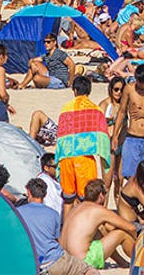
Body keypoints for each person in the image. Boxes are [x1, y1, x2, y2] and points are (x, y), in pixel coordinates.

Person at [18, 178, 96, 275]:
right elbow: (57, 240)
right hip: (55, 262)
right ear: (45, 194)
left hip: (32, 264)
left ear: (29, 192)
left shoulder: (18, 213)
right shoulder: (53, 214)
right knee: (89, 270)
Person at [57, 77, 111, 206]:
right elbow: (103, 137)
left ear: (75, 90)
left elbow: (61, 137)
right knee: (87, 201)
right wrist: (105, 160)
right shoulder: (95, 110)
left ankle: (66, 225)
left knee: (68, 201)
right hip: (85, 158)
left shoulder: (66, 109)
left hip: (67, 157)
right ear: (89, 91)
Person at [62, 179, 135, 270]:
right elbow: (131, 228)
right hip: (83, 263)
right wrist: (135, 239)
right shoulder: (98, 210)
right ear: (101, 195)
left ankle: (122, 262)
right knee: (121, 233)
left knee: (100, 231)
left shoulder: (76, 208)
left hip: (65, 261)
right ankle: (139, 259)